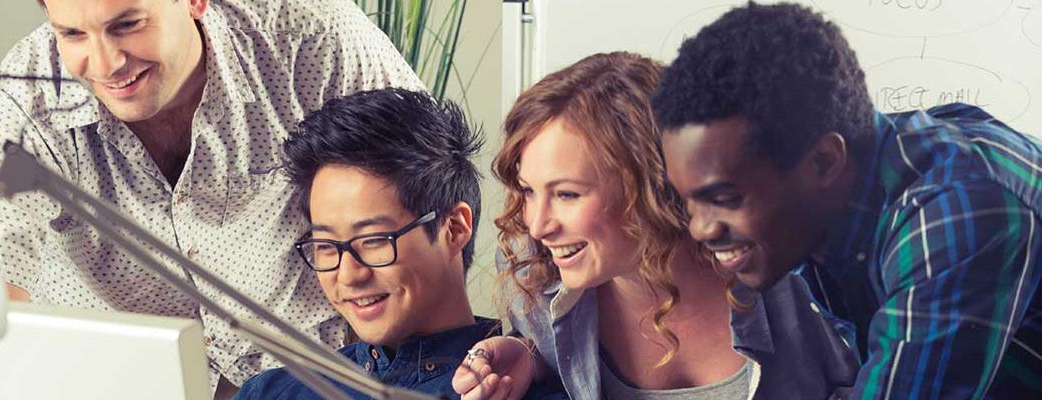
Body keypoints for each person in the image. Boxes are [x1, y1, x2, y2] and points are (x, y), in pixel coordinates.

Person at [0, 0, 422, 394]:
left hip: (315, 379)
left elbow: (429, 190)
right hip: (116, 385)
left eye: (128, 24)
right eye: (73, 34)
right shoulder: (25, 97)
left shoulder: (312, 38)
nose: (105, 64)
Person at [653, 3, 1042, 398]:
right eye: (689, 199)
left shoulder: (955, 211)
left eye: (724, 198)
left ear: (824, 161)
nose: (700, 228)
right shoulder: (834, 196)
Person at [453, 52, 858, 400]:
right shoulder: (537, 271)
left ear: (655, 185)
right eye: (527, 191)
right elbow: (554, 353)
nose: (538, 225)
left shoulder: (802, 279)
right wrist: (529, 357)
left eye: (567, 194)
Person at [233, 88, 564, 400]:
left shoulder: (518, 389)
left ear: (453, 228)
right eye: (327, 246)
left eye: (373, 240)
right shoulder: (271, 391)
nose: (348, 276)